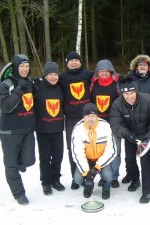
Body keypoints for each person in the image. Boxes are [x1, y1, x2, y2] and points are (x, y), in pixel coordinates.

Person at [110, 77, 150, 203]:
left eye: (131, 93)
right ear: (122, 93)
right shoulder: (117, 104)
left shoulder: (148, 99)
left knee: (146, 161)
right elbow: (115, 124)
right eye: (126, 94)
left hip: (146, 134)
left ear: (136, 91)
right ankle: (135, 179)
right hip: (130, 134)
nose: (129, 96)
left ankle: (147, 190)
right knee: (130, 160)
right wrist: (126, 134)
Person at [0, 54, 35, 205]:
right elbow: (6, 107)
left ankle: (21, 163)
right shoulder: (7, 84)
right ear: (15, 67)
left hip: (27, 129)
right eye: (22, 66)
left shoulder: (30, 82)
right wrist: (19, 89)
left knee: (28, 160)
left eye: (27, 66)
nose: (25, 69)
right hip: (10, 131)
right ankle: (19, 193)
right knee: (11, 164)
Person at [59, 51, 93, 190]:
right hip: (71, 119)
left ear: (80, 62)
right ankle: (75, 176)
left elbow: (104, 78)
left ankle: (89, 175)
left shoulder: (88, 74)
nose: (74, 62)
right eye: (71, 60)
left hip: (88, 118)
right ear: (67, 63)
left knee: (90, 148)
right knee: (72, 149)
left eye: (76, 60)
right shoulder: (62, 77)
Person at [125, 54, 150, 184]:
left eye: (144, 65)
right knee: (129, 153)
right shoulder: (129, 79)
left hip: (147, 121)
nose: (142, 67)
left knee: (148, 151)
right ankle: (131, 174)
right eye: (140, 65)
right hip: (131, 120)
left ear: (149, 67)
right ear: (136, 67)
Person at [71, 103, 116, 200]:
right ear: (83, 117)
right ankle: (88, 187)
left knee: (108, 176)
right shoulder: (78, 129)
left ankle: (106, 188)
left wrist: (97, 167)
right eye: (87, 116)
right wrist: (87, 173)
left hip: (101, 160)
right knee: (78, 179)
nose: (90, 119)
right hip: (87, 160)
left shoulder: (105, 126)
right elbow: (77, 153)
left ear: (97, 116)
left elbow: (111, 151)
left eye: (93, 116)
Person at [33, 62, 65, 195]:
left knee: (58, 156)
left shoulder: (60, 87)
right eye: (50, 74)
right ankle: (46, 182)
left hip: (57, 128)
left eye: (55, 74)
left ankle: (55, 179)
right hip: (43, 129)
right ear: (45, 75)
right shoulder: (37, 86)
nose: (53, 77)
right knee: (45, 157)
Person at [89, 59, 122, 188]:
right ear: (97, 73)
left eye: (106, 71)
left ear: (111, 71)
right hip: (99, 125)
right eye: (100, 71)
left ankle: (114, 176)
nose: (103, 73)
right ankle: (104, 176)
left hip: (114, 123)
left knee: (115, 151)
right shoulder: (93, 85)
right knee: (101, 152)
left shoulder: (117, 84)